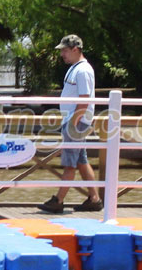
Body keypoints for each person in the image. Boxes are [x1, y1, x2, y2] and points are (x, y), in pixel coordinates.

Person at [38, 34, 103, 213]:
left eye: (65, 51)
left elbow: (84, 100)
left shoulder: (82, 70)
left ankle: (58, 201)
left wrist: (73, 123)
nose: (62, 54)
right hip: (76, 120)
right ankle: (95, 198)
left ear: (76, 49)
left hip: (77, 122)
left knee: (69, 163)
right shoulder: (76, 68)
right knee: (81, 160)